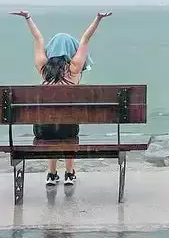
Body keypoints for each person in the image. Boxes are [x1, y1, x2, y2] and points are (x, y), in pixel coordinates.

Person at [9, 10, 112, 186]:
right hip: (68, 129)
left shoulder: (43, 68)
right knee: (67, 126)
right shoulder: (74, 69)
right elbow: (85, 40)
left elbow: (38, 39)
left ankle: (51, 174)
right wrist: (98, 19)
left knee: (50, 123)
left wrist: (28, 17)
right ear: (70, 50)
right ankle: (70, 174)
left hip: (43, 131)